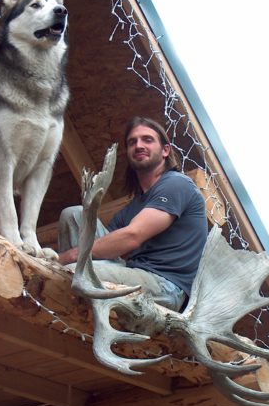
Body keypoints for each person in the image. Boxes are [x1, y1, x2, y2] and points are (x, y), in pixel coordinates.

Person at [57, 116, 207, 311]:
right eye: (132, 142)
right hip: (133, 271)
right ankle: (81, 298)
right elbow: (107, 246)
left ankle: (77, 287)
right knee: (74, 214)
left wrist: (65, 257)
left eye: (147, 139)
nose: (139, 145)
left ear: (165, 150)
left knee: (72, 272)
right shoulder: (132, 208)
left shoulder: (176, 184)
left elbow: (132, 236)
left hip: (166, 286)